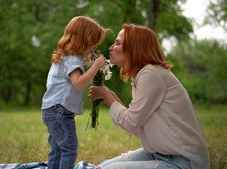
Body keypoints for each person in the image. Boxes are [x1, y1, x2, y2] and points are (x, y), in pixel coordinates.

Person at [87, 24, 210, 169]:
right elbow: (136, 126)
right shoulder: (142, 77)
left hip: (183, 162)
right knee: (101, 166)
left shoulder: (151, 74)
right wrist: (110, 96)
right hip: (159, 153)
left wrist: (106, 94)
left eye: (118, 43)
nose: (111, 47)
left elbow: (131, 123)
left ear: (134, 48)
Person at [41, 16, 108, 169]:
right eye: (93, 42)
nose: (94, 46)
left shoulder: (64, 57)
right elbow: (78, 83)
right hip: (60, 111)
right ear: (82, 40)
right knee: (70, 150)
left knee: (57, 150)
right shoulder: (73, 59)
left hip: (50, 110)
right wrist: (95, 66)